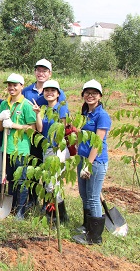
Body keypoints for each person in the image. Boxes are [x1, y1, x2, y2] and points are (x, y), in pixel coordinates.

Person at [23, 58, 68, 207]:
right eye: (39, 70)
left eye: (44, 71)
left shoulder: (59, 100)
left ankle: (52, 208)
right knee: (35, 170)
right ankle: (34, 200)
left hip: (53, 145)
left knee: (51, 178)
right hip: (35, 139)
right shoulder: (27, 91)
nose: (41, 73)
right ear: (35, 72)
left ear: (50, 73)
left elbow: (62, 125)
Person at [72, 80, 111, 245]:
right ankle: (87, 226)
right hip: (82, 160)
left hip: (95, 162)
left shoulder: (102, 116)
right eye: (87, 92)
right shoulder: (84, 114)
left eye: (94, 93)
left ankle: (94, 237)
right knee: (84, 195)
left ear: (100, 96)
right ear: (83, 95)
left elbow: (97, 142)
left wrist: (88, 164)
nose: (90, 95)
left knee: (94, 197)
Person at [0, 73, 37, 220]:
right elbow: (0, 128)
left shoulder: (26, 105)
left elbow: (33, 128)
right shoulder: (3, 104)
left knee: (22, 181)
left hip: (21, 150)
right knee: (11, 180)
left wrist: (14, 125)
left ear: (21, 86)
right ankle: (11, 207)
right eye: (9, 85)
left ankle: (21, 210)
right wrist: (0, 119)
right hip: (7, 148)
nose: (11, 88)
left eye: (15, 85)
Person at [33, 79, 70, 223]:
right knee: (49, 183)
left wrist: (57, 152)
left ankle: (57, 217)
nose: (49, 93)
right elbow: (40, 129)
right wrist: (37, 114)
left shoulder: (61, 108)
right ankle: (58, 216)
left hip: (57, 149)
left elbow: (62, 130)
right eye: (47, 91)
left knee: (53, 183)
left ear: (58, 94)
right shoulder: (43, 109)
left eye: (52, 91)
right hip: (47, 148)